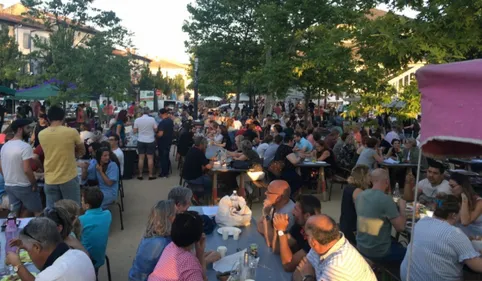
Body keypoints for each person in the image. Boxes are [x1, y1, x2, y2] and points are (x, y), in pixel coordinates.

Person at [400, 194, 482, 281]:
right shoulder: (454, 233)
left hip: (408, 277)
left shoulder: (422, 222)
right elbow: (477, 266)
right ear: (453, 215)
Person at [5, 217, 96, 281]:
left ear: (37, 247)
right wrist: (26, 245)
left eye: (29, 250)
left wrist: (17, 265)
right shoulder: (79, 253)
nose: (28, 252)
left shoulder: (51, 276)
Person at [294, 215, 376, 281]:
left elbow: (302, 271)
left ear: (313, 242)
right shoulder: (323, 244)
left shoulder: (336, 266)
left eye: (306, 235)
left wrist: (307, 277)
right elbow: (297, 273)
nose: (305, 238)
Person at [355, 169, 407, 263]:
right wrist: (403, 208)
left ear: (372, 180)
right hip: (379, 252)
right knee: (410, 254)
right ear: (387, 181)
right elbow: (401, 227)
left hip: (361, 246)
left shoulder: (360, 195)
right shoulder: (386, 200)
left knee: (394, 241)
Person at [39, 106, 85, 207]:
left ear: (48, 118)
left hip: (50, 178)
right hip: (68, 177)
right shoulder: (72, 132)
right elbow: (82, 150)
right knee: (72, 210)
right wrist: (73, 154)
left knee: (52, 213)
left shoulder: (41, 134)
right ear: (63, 117)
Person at [148, 211, 208, 281]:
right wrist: (200, 255)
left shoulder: (170, 246)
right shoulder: (191, 265)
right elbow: (202, 277)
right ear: (198, 237)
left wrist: (200, 253)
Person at [0, 119, 42, 216]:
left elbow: (1, 166)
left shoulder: (5, 146)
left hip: (9, 185)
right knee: (38, 212)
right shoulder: (25, 146)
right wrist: (34, 184)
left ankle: (14, 231)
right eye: (27, 128)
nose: (30, 130)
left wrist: (8, 179)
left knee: (14, 214)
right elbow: (27, 169)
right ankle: (40, 231)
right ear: (20, 130)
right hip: (24, 185)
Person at [272, 195, 321, 272]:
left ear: (307, 216)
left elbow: (288, 266)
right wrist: (277, 228)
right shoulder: (299, 227)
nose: (292, 212)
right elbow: (277, 249)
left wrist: (281, 231)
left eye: (296, 209)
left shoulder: (316, 237)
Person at [129, 200, 175, 281]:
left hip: (134, 276)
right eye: (176, 214)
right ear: (169, 218)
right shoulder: (163, 243)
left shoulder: (149, 234)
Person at [79, 187, 112, 273]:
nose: (81, 202)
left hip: (86, 260)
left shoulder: (81, 220)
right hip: (100, 257)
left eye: (82, 201)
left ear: (87, 205)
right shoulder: (108, 214)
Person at [257, 180, 296, 248]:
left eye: (269, 192)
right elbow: (259, 225)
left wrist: (266, 215)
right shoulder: (275, 205)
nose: (265, 193)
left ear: (279, 198)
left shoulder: (287, 214)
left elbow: (272, 242)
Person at [339, 165, 370, 245]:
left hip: (345, 225)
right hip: (352, 229)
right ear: (363, 177)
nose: (371, 177)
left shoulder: (349, 187)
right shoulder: (357, 191)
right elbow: (363, 212)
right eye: (369, 175)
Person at [133, 107, 158, 180]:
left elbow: (134, 131)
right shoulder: (152, 119)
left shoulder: (137, 120)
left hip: (140, 140)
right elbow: (156, 129)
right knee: (150, 158)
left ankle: (140, 175)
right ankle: (150, 175)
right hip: (150, 140)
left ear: (141, 112)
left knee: (141, 158)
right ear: (149, 112)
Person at [157, 109, 174, 178]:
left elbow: (160, 134)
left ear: (161, 114)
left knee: (163, 158)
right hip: (169, 141)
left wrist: (156, 135)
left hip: (162, 142)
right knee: (166, 157)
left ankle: (164, 173)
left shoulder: (162, 123)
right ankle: (167, 171)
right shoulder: (170, 121)